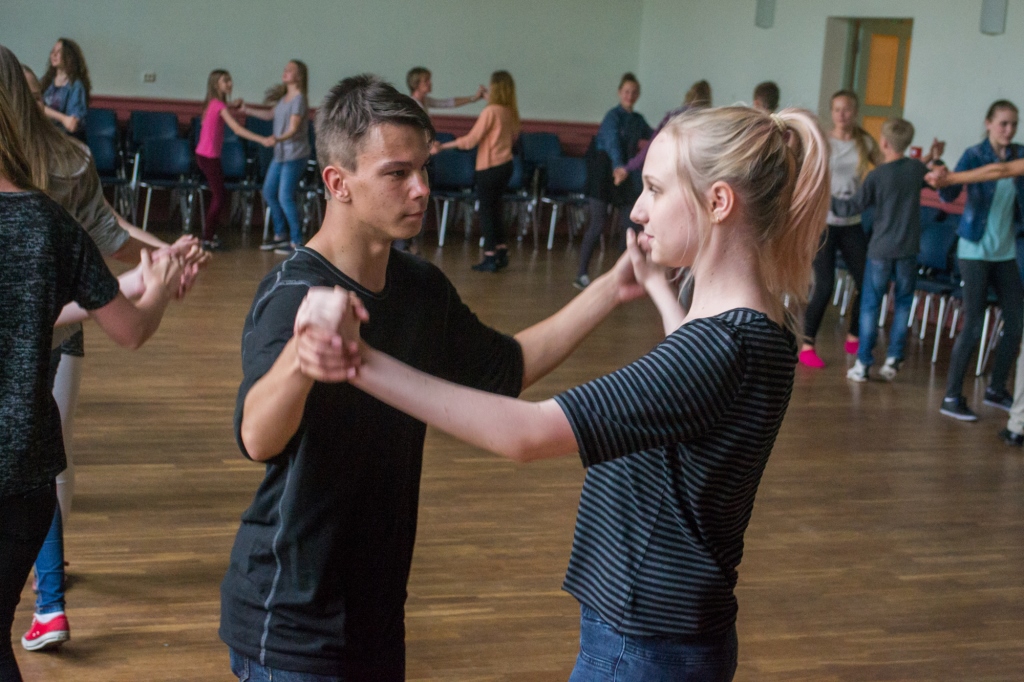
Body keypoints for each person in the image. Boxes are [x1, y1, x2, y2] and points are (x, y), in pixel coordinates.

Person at [306, 105, 831, 682]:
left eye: (656, 190)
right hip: (673, 636)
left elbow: (527, 434)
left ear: (719, 202)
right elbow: (694, 380)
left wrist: (357, 361)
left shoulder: (717, 349)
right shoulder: (763, 328)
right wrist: (659, 291)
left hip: (643, 647)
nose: (638, 209)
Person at [220, 74, 647, 681]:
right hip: (288, 622)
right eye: (397, 173)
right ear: (338, 183)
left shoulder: (420, 287)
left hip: (377, 615)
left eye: (423, 168)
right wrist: (302, 357)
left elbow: (505, 369)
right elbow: (257, 438)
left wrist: (609, 289)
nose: (421, 189)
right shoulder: (292, 295)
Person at [0, 43, 208, 653]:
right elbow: (129, 327)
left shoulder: (63, 186)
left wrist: (153, 268)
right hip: (20, 474)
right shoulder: (47, 222)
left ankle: (50, 603)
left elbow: (108, 239)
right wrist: (154, 282)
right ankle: (48, 602)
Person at [935, 100, 1024, 421]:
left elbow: (1006, 178)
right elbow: (947, 193)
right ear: (988, 123)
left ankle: (996, 389)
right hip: (974, 250)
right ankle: (951, 397)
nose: (1009, 130)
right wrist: (941, 171)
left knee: (1016, 321)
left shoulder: (1019, 154)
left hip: (1005, 251)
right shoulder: (974, 155)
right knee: (973, 324)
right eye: (1003, 123)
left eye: (1013, 124)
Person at [831, 117, 935, 381]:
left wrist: (824, 196)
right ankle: (893, 359)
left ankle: (863, 363)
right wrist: (934, 158)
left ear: (884, 143)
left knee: (870, 306)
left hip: (880, 250)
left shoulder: (877, 175)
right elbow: (934, 180)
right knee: (903, 304)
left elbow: (849, 208)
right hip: (908, 250)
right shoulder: (916, 169)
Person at [799, 90, 882, 368]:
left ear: (855, 112)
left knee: (866, 281)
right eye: (836, 109)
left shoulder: (864, 142)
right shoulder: (824, 141)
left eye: (846, 109)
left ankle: (854, 334)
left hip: (851, 223)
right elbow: (808, 172)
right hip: (823, 223)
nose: (841, 115)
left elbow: (887, 166)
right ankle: (807, 345)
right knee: (825, 284)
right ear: (832, 112)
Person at [432, 70, 520, 272]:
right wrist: (486, 98)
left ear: (495, 88)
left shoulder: (490, 112)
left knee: (487, 212)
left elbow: (471, 140)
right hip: (506, 166)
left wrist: (442, 146)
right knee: (496, 209)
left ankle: (489, 256)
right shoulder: (509, 111)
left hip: (489, 167)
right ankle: (501, 251)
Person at [575, 73, 652, 289]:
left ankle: (623, 276)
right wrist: (619, 166)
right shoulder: (612, 117)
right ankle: (581, 274)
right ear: (620, 93)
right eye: (626, 91)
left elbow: (654, 136)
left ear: (638, 94)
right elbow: (612, 143)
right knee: (597, 224)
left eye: (634, 92)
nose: (630, 95)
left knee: (630, 227)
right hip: (603, 176)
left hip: (624, 176)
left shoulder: (638, 120)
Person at [195, 69, 275, 251]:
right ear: (216, 84)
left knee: (220, 195)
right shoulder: (219, 106)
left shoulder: (213, 103)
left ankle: (209, 236)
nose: (230, 83)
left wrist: (233, 105)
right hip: (208, 157)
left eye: (230, 80)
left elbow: (221, 110)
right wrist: (262, 139)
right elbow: (237, 129)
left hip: (206, 156)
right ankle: (207, 238)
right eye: (225, 81)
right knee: (219, 196)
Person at [244, 60, 311, 254]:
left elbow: (294, 128)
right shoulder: (284, 99)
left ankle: (297, 241)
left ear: (299, 76)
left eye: (290, 70)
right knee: (268, 192)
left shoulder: (299, 99)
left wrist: (276, 139)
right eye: (285, 69)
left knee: (284, 196)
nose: (285, 72)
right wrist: (245, 109)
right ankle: (280, 235)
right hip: (281, 155)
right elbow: (269, 115)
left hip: (295, 155)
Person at [39, 38, 90, 140]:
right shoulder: (45, 81)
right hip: (43, 135)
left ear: (69, 57)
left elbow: (72, 124)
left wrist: (44, 110)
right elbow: (35, 106)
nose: (54, 55)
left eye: (59, 52)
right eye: (53, 51)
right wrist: (62, 118)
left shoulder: (75, 85)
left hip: (63, 139)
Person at [406, 66, 486, 115]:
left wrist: (474, 98)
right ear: (415, 84)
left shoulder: (426, 101)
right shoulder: (413, 105)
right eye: (426, 80)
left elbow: (447, 103)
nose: (430, 83)